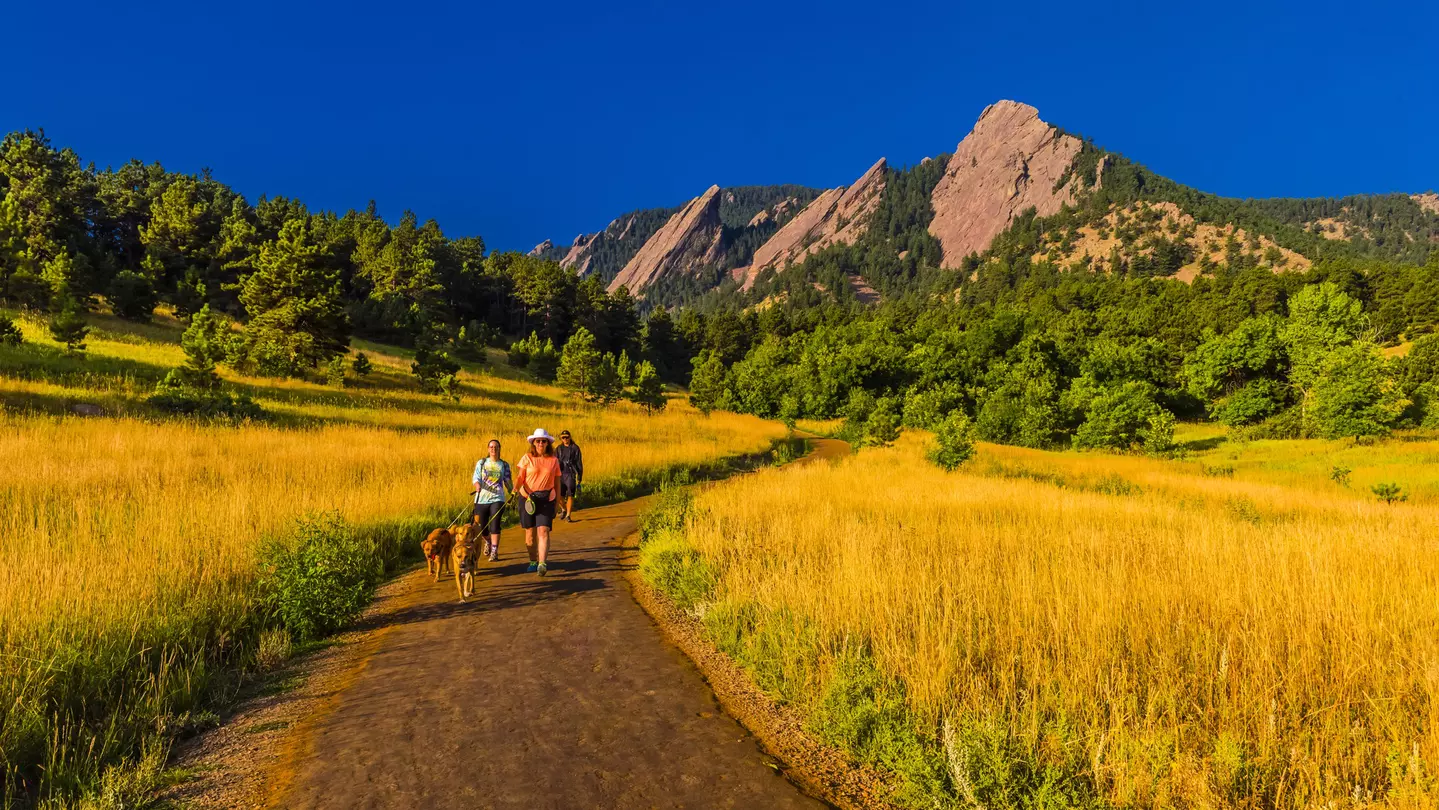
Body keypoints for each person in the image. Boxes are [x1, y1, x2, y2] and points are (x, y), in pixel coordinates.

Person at [514, 428, 561, 575]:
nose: (541, 443)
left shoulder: (554, 461)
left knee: (544, 530)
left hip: (547, 498)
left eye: (543, 441)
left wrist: (557, 503)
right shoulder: (527, 458)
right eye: (538, 441)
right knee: (530, 533)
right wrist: (515, 489)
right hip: (527, 498)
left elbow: (557, 483)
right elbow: (520, 477)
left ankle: (542, 563)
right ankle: (533, 560)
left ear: (548, 443)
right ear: (533, 443)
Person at [471, 438, 512, 562]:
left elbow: (508, 481)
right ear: (488, 449)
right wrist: (477, 484)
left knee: (495, 525)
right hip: (481, 499)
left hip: (497, 498)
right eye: (491, 447)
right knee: (481, 527)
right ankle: (488, 541)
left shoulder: (504, 465)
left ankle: (494, 551)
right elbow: (476, 477)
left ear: (499, 449)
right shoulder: (482, 463)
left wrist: (512, 493)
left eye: (496, 447)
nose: (494, 449)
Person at [556, 429, 583, 522]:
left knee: (570, 494)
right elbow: (554, 462)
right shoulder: (559, 448)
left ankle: (568, 515)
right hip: (560, 474)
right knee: (558, 495)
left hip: (570, 473)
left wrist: (579, 476)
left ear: (570, 437)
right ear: (561, 438)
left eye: (567, 437)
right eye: (563, 438)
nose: (565, 439)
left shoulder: (575, 448)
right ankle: (564, 508)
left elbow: (579, 462)